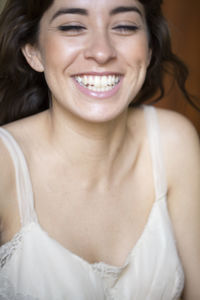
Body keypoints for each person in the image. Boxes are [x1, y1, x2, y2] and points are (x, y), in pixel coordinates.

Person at [0, 0, 199, 299]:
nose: (102, 52)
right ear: (34, 51)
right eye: (72, 27)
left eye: (124, 26)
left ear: (149, 48)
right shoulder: (4, 164)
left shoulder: (173, 142)